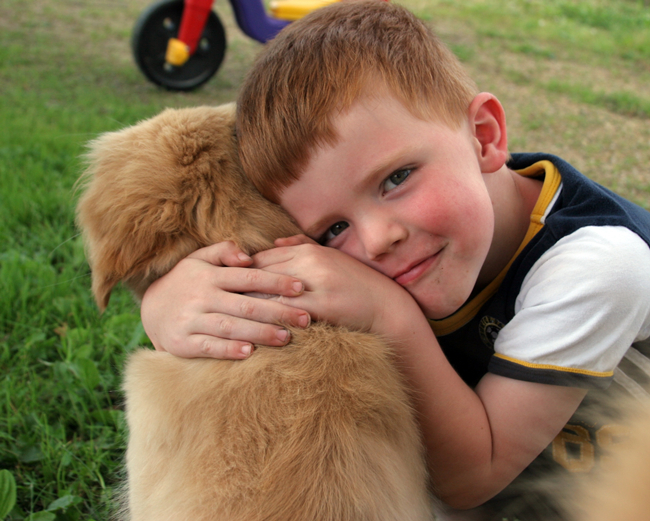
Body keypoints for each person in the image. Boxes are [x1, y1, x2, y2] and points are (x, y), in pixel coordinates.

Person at [140, 1, 650, 518]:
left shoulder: (601, 266)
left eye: (396, 178)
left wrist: (391, 316)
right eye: (333, 229)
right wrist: (166, 301)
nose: (377, 239)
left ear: (485, 136)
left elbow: (474, 477)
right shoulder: (434, 237)